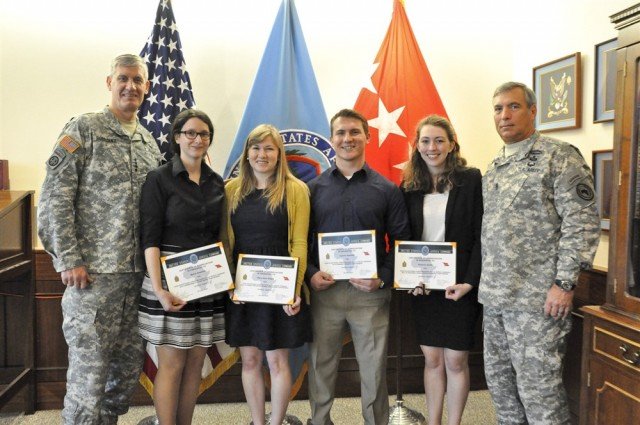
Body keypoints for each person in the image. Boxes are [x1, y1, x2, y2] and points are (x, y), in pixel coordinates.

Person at [37, 53, 162, 424]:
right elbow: (55, 197)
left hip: (136, 280)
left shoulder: (148, 142)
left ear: (147, 88)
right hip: (92, 278)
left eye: (138, 80)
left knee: (122, 380)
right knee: (87, 384)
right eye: (123, 78)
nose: (130, 86)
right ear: (110, 83)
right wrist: (69, 258)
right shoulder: (84, 129)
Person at [481, 82, 600, 425]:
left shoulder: (558, 156)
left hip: (538, 302)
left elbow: (582, 222)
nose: (504, 115)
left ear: (533, 111)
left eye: (513, 107)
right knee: (503, 392)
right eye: (498, 108)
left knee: (540, 395)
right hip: (496, 299)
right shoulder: (495, 166)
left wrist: (565, 283)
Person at [306, 109, 411, 425]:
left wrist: (383, 280)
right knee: (321, 364)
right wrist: (311, 274)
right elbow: (301, 240)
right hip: (326, 295)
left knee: (373, 369)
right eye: (340, 132)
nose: (347, 138)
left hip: (370, 296)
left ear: (367, 136)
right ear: (332, 138)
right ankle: (320, 420)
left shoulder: (387, 190)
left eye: (354, 132)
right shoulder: (312, 190)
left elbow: (402, 242)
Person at [137, 109, 226, 424]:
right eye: (190, 132)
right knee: (172, 365)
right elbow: (150, 238)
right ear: (177, 137)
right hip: (168, 282)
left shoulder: (218, 183)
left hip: (207, 283)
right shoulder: (158, 179)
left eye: (203, 134)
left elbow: (220, 238)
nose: (197, 139)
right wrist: (159, 289)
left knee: (195, 366)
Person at [221, 124, 312, 425]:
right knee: (249, 360)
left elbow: (299, 242)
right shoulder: (230, 191)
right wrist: (231, 284)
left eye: (269, 148)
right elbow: (225, 243)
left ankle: (276, 422)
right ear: (247, 154)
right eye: (256, 148)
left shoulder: (296, 189)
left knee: (277, 360)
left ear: (279, 154)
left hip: (281, 289)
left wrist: (295, 289)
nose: (262, 154)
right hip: (243, 291)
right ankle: (258, 422)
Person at [401, 115, 482, 425]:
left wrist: (470, 283)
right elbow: (403, 238)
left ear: (451, 144)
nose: (432, 147)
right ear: (416, 145)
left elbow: (479, 237)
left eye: (438, 140)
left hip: (459, 285)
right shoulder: (409, 186)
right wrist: (407, 278)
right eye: (425, 141)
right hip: (423, 286)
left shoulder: (471, 180)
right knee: (432, 360)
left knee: (456, 361)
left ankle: (453, 422)